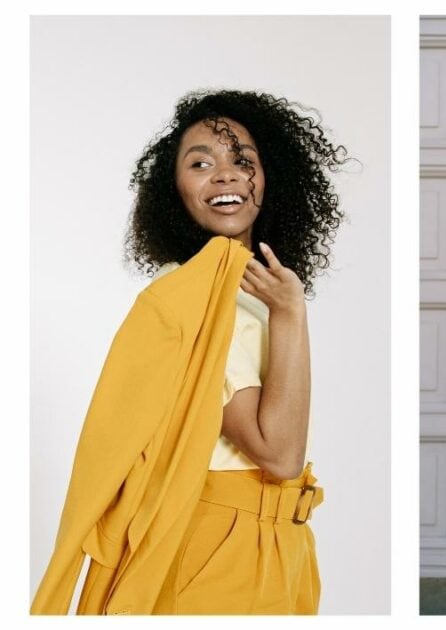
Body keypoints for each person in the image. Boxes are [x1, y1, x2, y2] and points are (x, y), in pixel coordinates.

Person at [35, 89, 347, 614]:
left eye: (242, 160)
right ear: (173, 191)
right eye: (200, 163)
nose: (224, 175)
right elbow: (279, 454)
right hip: (216, 545)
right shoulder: (191, 302)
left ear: (271, 180)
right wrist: (293, 314)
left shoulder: (254, 298)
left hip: (285, 546)